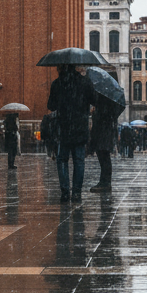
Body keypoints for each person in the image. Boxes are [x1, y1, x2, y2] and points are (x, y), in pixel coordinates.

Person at [47, 64, 95, 201]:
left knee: (62, 159)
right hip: (80, 126)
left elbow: (50, 105)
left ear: (60, 68)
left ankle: (65, 191)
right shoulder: (85, 82)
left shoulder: (57, 83)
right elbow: (94, 100)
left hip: (64, 127)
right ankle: (76, 192)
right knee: (79, 160)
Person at [89, 94, 118, 192]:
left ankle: (105, 183)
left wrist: (95, 113)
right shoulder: (108, 101)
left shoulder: (104, 102)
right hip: (104, 133)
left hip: (102, 133)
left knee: (104, 158)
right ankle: (104, 181)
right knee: (104, 158)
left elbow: (101, 118)